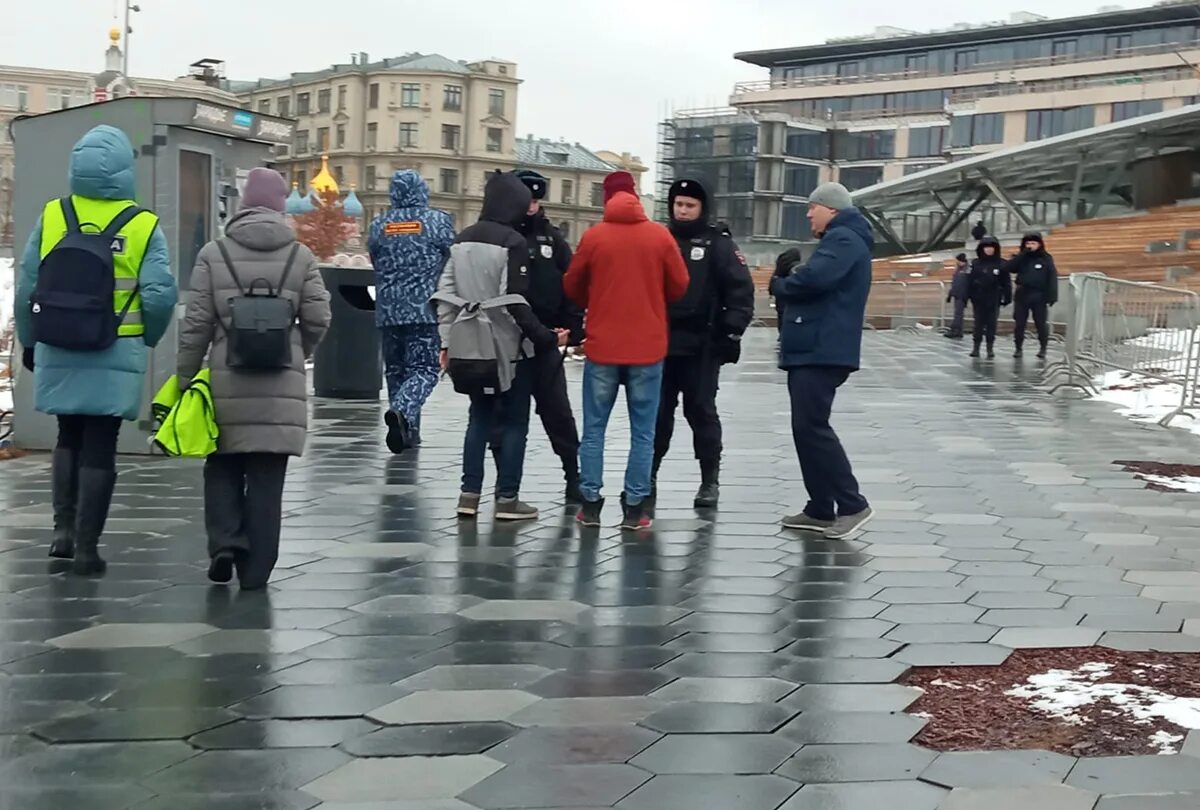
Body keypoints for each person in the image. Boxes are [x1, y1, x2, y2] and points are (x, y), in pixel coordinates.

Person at [15, 125, 177, 575]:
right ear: (126, 170)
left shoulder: (54, 216)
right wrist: (148, 336)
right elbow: (160, 293)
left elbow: (27, 283)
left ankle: (61, 533)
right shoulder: (142, 225)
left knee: (67, 435)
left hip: (58, 340)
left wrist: (30, 338)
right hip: (115, 348)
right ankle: (88, 546)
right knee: (101, 444)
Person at [177, 168, 331, 589]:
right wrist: (299, 349)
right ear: (281, 207)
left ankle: (225, 541)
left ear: (244, 203)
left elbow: (196, 324)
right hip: (280, 384)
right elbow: (319, 317)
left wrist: (185, 376)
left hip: (227, 379)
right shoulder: (300, 257)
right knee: (267, 478)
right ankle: (257, 570)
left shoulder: (215, 253)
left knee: (222, 462)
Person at [436, 171, 566, 522]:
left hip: (468, 347)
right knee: (514, 422)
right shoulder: (513, 242)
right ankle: (507, 499)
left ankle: (469, 494)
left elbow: (445, 296)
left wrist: (447, 342)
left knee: (478, 420)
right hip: (507, 349)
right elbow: (514, 300)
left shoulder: (461, 239)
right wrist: (546, 337)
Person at [564, 171, 689, 530]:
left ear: (606, 199)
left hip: (603, 346)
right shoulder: (659, 236)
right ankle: (635, 508)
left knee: (594, 430)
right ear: (635, 196)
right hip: (648, 348)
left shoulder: (594, 237)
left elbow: (572, 284)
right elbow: (680, 285)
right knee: (643, 432)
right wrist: (652, 297)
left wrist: (597, 299)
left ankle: (589, 505)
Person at [770, 182, 873, 539]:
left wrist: (782, 280)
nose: (809, 213)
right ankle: (819, 508)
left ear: (831, 208)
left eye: (813, 207)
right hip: (813, 345)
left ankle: (852, 504)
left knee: (813, 427)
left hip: (822, 346)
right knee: (806, 427)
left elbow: (814, 280)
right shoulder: (841, 238)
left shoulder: (843, 239)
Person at [654, 178, 754, 508]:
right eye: (678, 204)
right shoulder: (659, 238)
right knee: (657, 416)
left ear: (702, 208)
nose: (682, 211)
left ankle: (709, 480)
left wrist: (730, 333)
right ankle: (647, 477)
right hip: (661, 346)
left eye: (689, 205)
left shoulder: (718, 244)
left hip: (701, 346)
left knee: (701, 413)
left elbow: (740, 292)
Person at [367, 170, 455, 453]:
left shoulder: (379, 224)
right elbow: (451, 258)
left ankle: (407, 433)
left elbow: (374, 258)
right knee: (425, 369)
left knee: (395, 371)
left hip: (388, 310)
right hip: (424, 310)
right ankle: (403, 412)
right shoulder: (437, 221)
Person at [509, 169, 583, 502]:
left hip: (549, 342)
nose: (531, 206)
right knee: (510, 418)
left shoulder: (552, 239)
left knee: (558, 413)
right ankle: (507, 487)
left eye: (536, 200)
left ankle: (573, 475)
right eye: (526, 199)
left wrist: (573, 327)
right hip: (508, 343)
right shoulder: (503, 234)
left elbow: (573, 285)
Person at [1005, 232, 1059, 359]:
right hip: (1022, 294)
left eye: (1033, 243)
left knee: (1040, 323)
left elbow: (1052, 277)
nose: (1030, 246)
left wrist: (1052, 296)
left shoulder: (1046, 258)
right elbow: (1009, 267)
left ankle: (1043, 348)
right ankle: (1018, 348)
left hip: (1039, 295)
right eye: (1027, 243)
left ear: (1039, 244)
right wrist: (1022, 254)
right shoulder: (1022, 258)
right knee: (1019, 323)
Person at [967, 236, 1011, 359]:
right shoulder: (976, 263)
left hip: (993, 298)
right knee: (978, 324)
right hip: (978, 298)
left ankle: (989, 348)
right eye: (986, 247)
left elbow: (1006, 282)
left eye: (991, 247)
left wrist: (1007, 297)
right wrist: (968, 295)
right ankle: (976, 347)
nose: (989, 250)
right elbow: (969, 280)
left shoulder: (1001, 263)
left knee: (992, 324)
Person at [945, 253, 970, 340]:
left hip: (962, 295)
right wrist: (950, 294)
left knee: (958, 314)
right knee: (957, 313)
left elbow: (968, 284)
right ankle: (957, 331)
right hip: (956, 294)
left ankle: (956, 330)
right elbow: (954, 283)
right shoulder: (958, 270)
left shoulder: (967, 270)